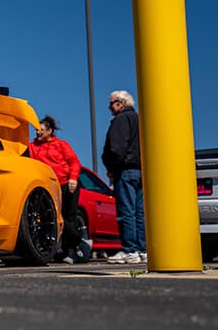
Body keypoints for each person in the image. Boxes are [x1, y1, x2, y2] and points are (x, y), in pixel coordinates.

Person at [28, 116, 90, 264]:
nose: (37, 132)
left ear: (49, 131)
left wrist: (73, 178)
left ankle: (72, 249)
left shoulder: (61, 145)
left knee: (69, 218)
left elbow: (74, 161)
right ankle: (70, 245)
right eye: (36, 129)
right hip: (48, 187)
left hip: (67, 184)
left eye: (41, 130)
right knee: (50, 219)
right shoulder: (32, 146)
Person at [102, 90, 146, 264]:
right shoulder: (139, 119)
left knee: (126, 212)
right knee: (139, 213)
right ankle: (142, 249)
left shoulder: (121, 120)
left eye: (111, 103)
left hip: (125, 170)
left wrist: (112, 168)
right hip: (141, 170)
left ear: (120, 103)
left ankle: (129, 250)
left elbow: (117, 148)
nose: (109, 107)